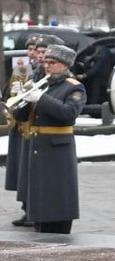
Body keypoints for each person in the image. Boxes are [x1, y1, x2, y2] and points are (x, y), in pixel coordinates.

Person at [13, 44, 84, 234]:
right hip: (37, 148)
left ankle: (58, 232)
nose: (47, 66)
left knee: (57, 198)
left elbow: (69, 114)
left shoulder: (74, 87)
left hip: (58, 150)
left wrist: (41, 99)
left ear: (64, 65)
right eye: (46, 62)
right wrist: (22, 100)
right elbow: (21, 117)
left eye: (52, 63)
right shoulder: (45, 85)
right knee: (41, 200)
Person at [7, 34, 42, 227]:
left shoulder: (40, 72)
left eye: (36, 50)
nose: (32, 53)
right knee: (21, 172)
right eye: (30, 49)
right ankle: (26, 208)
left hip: (32, 126)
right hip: (20, 124)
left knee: (29, 172)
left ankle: (32, 210)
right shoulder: (24, 68)